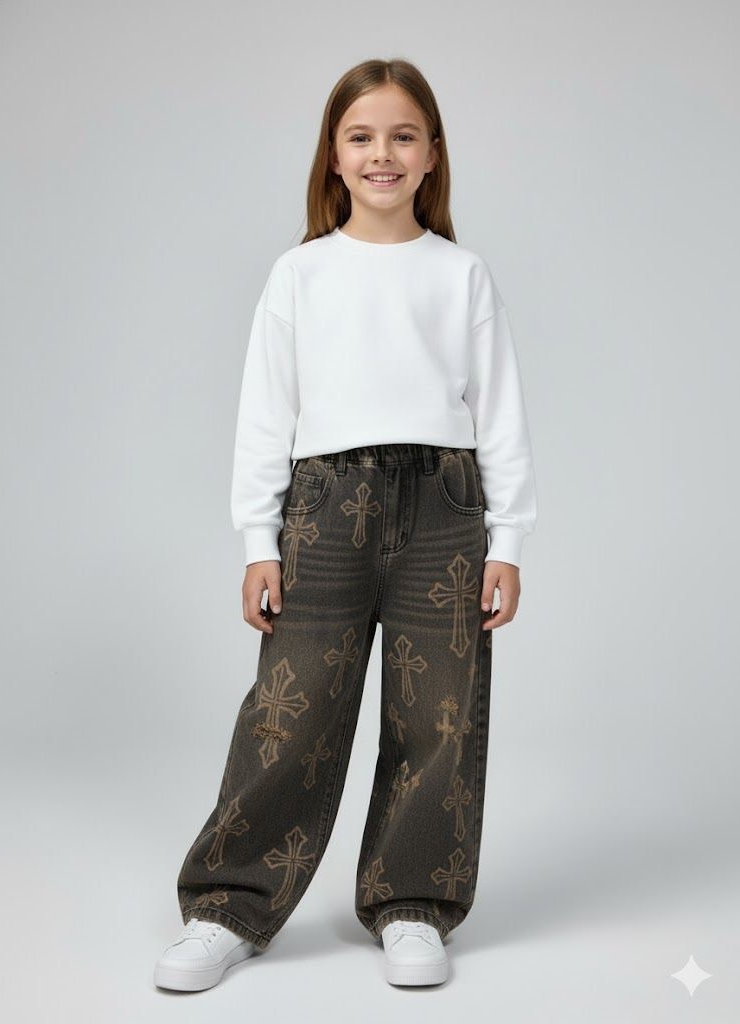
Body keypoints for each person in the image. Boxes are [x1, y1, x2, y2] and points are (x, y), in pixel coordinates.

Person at [154, 56, 537, 992]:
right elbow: (265, 415)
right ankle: (228, 905)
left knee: (438, 717)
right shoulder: (300, 274)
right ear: (333, 156)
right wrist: (258, 542)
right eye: (361, 137)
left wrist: (508, 542)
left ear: (432, 153)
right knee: (290, 715)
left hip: (445, 507)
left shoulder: (460, 274)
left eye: (403, 136)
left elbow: (500, 414)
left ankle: (413, 902)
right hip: (324, 506)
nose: (382, 154)